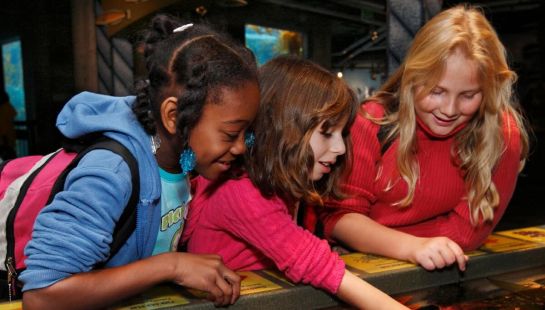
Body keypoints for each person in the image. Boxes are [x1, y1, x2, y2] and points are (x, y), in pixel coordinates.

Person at [20, 15, 260, 309]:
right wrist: (172, 266)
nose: (240, 148)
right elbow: (42, 296)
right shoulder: (111, 172)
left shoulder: (180, 161)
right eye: (231, 133)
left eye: (247, 134)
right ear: (173, 117)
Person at [310, 5, 529, 271]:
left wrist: (373, 236)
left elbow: (466, 234)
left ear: (489, 91)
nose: (449, 109)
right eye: (437, 91)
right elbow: (341, 218)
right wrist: (412, 247)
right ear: (413, 77)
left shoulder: (502, 135)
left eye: (468, 95)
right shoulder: (373, 121)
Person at [183, 56, 408, 309]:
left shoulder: (278, 186)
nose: (340, 148)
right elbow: (319, 267)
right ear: (282, 127)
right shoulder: (241, 191)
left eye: (342, 134)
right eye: (326, 132)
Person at [0, 90, 17, 161]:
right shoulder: (8, 107)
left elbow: (3, 126)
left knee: (7, 157)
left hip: (4, 138)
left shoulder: (3, 108)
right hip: (8, 137)